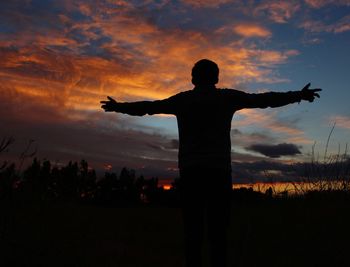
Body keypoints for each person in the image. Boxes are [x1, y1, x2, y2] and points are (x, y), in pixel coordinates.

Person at [100, 59, 321, 267]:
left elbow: (149, 107)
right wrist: (298, 95)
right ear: (216, 78)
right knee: (218, 232)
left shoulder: (184, 100)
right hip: (218, 172)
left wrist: (119, 106)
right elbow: (264, 100)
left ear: (193, 79)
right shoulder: (226, 97)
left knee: (193, 231)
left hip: (192, 172)